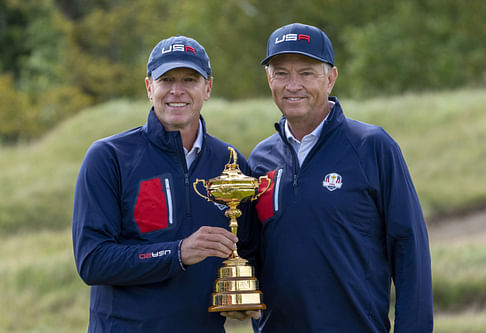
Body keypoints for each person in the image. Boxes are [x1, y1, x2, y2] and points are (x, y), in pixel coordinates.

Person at [247, 23, 434, 332]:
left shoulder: (372, 146)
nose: (293, 85)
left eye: (306, 73)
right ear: (269, 79)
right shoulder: (258, 161)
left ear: (331, 78)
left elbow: (409, 247)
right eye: (281, 73)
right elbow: (251, 252)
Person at [72, 35, 249, 332]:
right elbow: (93, 261)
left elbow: (248, 249)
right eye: (166, 79)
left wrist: (243, 296)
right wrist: (177, 253)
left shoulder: (231, 163)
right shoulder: (109, 157)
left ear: (208, 88)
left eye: (189, 80)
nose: (176, 91)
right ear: (149, 87)